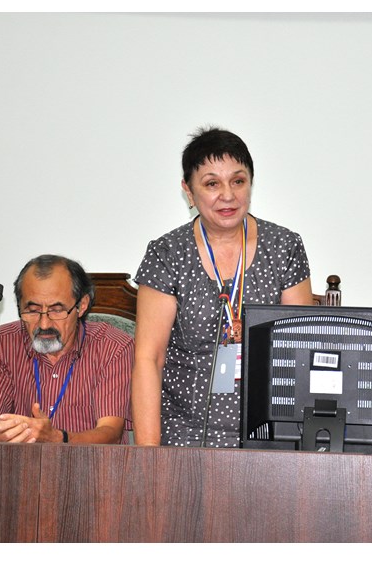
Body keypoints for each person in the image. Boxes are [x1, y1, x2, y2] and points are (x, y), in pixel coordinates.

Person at [132, 127, 313, 447]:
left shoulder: (284, 247)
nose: (228, 195)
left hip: (269, 433)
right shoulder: (167, 253)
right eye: (212, 183)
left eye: (238, 181)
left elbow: (300, 351)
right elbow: (150, 359)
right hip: (185, 433)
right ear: (189, 191)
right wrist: (149, 458)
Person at [0, 254, 134, 444]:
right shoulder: (0, 343)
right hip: (20, 462)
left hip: (90, 462)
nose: (44, 324)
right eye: (33, 310)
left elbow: (111, 433)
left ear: (82, 305)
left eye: (56, 310)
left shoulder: (113, 346)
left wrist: (58, 438)